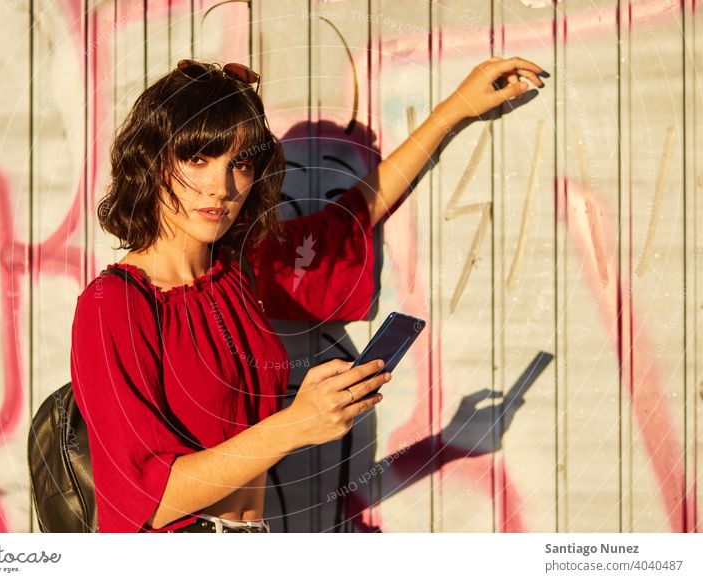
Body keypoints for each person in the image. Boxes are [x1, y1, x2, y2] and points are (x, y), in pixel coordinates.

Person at [70, 56, 546, 533]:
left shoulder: (242, 273)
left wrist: (453, 109)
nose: (221, 187)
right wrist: (298, 424)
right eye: (197, 159)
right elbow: (145, 498)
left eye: (240, 162)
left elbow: (357, 211)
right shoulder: (114, 304)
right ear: (151, 163)